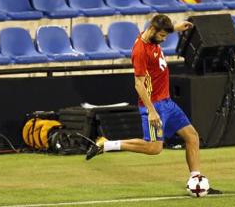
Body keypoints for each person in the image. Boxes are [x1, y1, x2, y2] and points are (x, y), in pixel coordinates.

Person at [85, 15, 220, 194]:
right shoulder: (140, 51)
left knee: (192, 137)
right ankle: (106, 144)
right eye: (163, 36)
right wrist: (151, 111)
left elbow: (162, 29)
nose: (164, 40)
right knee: (154, 148)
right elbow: (138, 84)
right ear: (154, 31)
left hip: (167, 102)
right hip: (154, 105)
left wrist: (176, 28)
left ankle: (197, 181)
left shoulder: (151, 35)